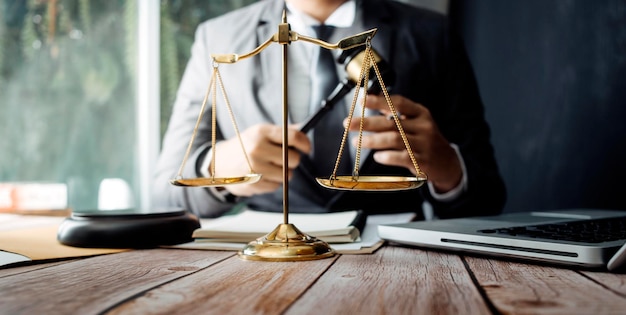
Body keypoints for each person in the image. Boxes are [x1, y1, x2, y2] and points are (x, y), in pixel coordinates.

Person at [153, 0, 506, 219]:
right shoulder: (217, 38)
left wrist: (447, 167)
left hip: (398, 263)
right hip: (266, 263)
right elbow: (165, 193)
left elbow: (489, 199)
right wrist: (221, 166)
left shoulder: (430, 34)